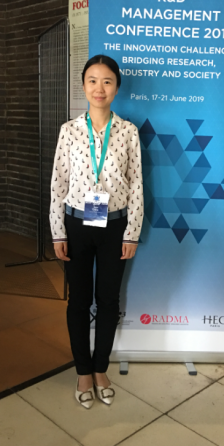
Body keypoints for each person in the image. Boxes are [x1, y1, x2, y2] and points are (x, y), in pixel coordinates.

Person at [49, 55, 143, 409]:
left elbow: (136, 185)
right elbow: (58, 184)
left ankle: (100, 367)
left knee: (108, 300)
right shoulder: (70, 130)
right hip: (76, 225)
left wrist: (131, 233)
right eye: (92, 80)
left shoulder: (128, 132)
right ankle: (82, 370)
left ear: (117, 87)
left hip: (115, 226)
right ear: (83, 85)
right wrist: (58, 233)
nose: (99, 88)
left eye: (107, 81)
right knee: (78, 300)